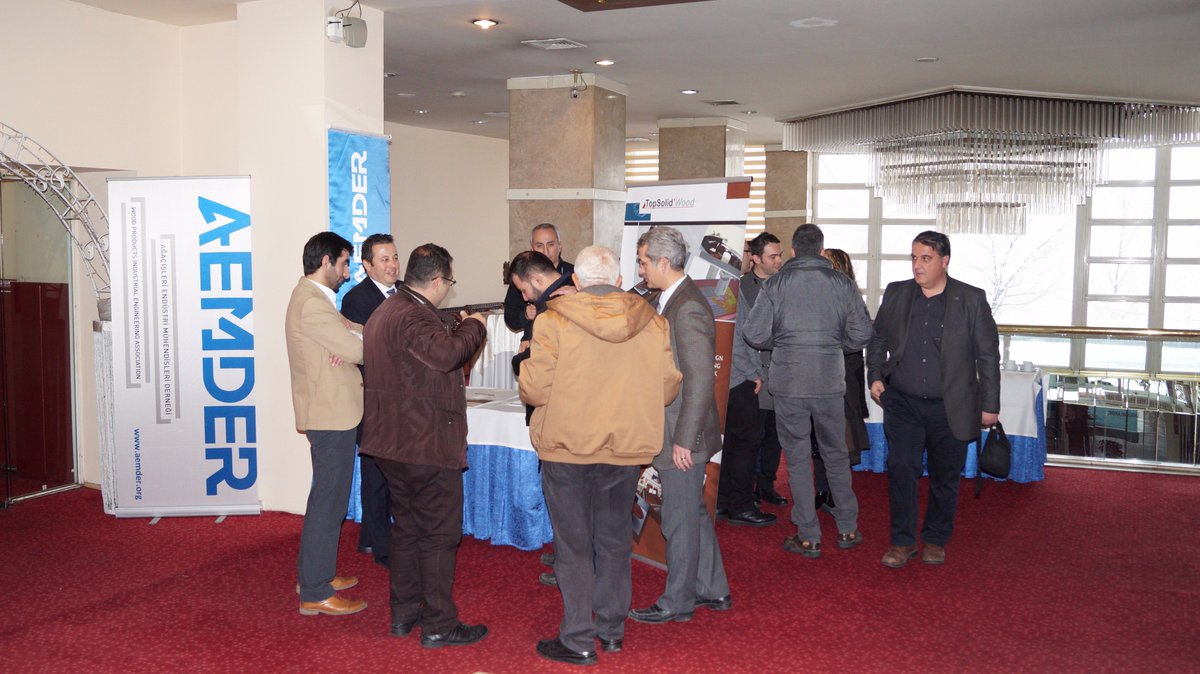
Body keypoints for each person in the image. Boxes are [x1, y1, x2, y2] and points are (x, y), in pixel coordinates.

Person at [519, 245, 682, 666]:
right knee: (613, 540)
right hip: (624, 447)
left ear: (576, 281)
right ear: (619, 280)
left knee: (572, 545)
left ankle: (577, 637)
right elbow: (668, 388)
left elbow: (534, 389)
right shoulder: (653, 322)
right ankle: (611, 631)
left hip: (567, 446)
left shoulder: (553, 321)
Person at [358, 243, 490, 647]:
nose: (448, 288)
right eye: (449, 281)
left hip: (393, 443)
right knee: (438, 535)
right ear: (436, 280)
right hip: (424, 444)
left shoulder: (387, 310)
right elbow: (446, 355)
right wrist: (475, 326)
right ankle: (438, 624)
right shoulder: (413, 315)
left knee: (408, 531)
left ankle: (404, 613)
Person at [868, 230, 1000, 568]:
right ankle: (902, 542)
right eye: (914, 258)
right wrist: (875, 375)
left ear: (944, 261)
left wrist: (990, 405)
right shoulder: (897, 293)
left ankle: (935, 539)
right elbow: (878, 337)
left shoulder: (971, 299)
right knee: (901, 469)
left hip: (950, 406)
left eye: (925, 258)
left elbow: (987, 355)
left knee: (945, 476)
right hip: (903, 403)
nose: (917, 265)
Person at [744, 224, 872, 559]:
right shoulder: (842, 283)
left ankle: (808, 535)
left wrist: (784, 343)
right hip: (829, 381)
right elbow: (862, 334)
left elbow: (754, 334)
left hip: (789, 383)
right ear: (821, 249)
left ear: (793, 250)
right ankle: (848, 527)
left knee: (799, 458)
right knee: (836, 454)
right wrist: (832, 346)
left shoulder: (776, 284)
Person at [629, 226, 731, 624]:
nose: (641, 269)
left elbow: (701, 379)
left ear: (662, 262)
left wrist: (684, 441)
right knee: (692, 514)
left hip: (682, 435)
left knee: (679, 520)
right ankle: (713, 588)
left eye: (643, 262)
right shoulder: (668, 299)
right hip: (676, 430)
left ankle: (678, 600)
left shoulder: (686, 307)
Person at [284, 231, 368, 616]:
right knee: (328, 501)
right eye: (344, 263)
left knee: (329, 499)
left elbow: (353, 336)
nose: (347, 273)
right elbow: (356, 347)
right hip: (330, 413)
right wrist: (348, 346)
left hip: (333, 410)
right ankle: (315, 591)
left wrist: (347, 340)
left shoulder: (316, 299)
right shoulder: (312, 304)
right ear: (326, 262)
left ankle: (315, 576)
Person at [339, 233, 400, 568]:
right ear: (367, 264)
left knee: (395, 471)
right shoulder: (356, 300)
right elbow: (364, 351)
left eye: (395, 257)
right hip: (373, 398)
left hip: (402, 398)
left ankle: (374, 534)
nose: (392, 265)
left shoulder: (405, 292)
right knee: (375, 472)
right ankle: (379, 544)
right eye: (384, 259)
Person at [714, 239, 778, 526]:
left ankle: (724, 500)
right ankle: (740, 504)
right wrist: (754, 374)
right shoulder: (728, 286)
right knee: (744, 445)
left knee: (730, 445)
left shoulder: (722, 284)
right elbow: (734, 341)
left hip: (728, 378)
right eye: (745, 251)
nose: (748, 256)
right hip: (738, 379)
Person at [811, 248, 871, 515]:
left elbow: (858, 345)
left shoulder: (851, 301)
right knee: (818, 440)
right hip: (815, 379)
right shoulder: (814, 297)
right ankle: (822, 491)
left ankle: (837, 493)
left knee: (840, 443)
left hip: (842, 382)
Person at [738, 233, 788, 507]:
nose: (779, 260)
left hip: (781, 371)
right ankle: (747, 490)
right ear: (756, 258)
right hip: (752, 374)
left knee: (775, 434)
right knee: (751, 435)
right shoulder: (741, 287)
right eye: (773, 256)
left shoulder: (786, 285)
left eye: (780, 255)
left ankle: (767, 484)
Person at [508, 250, 577, 377]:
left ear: (537, 281)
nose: (525, 298)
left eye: (524, 290)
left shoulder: (551, 308)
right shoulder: (579, 290)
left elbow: (539, 360)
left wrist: (518, 361)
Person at [504, 223, 575, 342]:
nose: (545, 251)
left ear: (559, 246)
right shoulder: (522, 278)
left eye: (550, 245)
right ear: (532, 248)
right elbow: (510, 318)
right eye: (539, 246)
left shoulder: (576, 275)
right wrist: (526, 316)